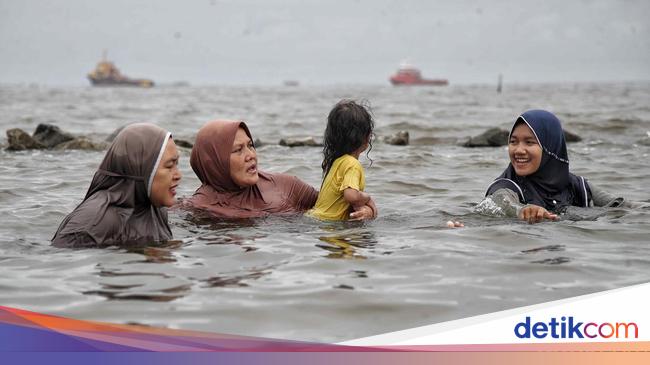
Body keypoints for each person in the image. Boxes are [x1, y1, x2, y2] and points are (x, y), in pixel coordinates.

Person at [185, 120, 372, 219]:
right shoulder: (198, 208)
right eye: (238, 150)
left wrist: (369, 212)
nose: (251, 155)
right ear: (214, 161)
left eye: (251, 146)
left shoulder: (285, 185)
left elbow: (335, 207)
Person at [481, 109, 627, 224]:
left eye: (529, 142)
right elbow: (501, 201)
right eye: (513, 142)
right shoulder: (506, 186)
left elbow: (622, 206)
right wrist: (523, 210)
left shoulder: (575, 185)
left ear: (551, 147)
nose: (518, 150)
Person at [52, 123, 182, 248]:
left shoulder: (156, 209)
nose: (178, 175)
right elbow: (61, 263)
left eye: (177, 164)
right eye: (170, 166)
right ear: (141, 168)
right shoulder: (96, 221)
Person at [308, 100, 378, 221]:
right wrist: (368, 198)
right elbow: (351, 196)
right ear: (366, 136)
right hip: (328, 225)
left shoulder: (336, 162)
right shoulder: (352, 164)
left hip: (315, 218)